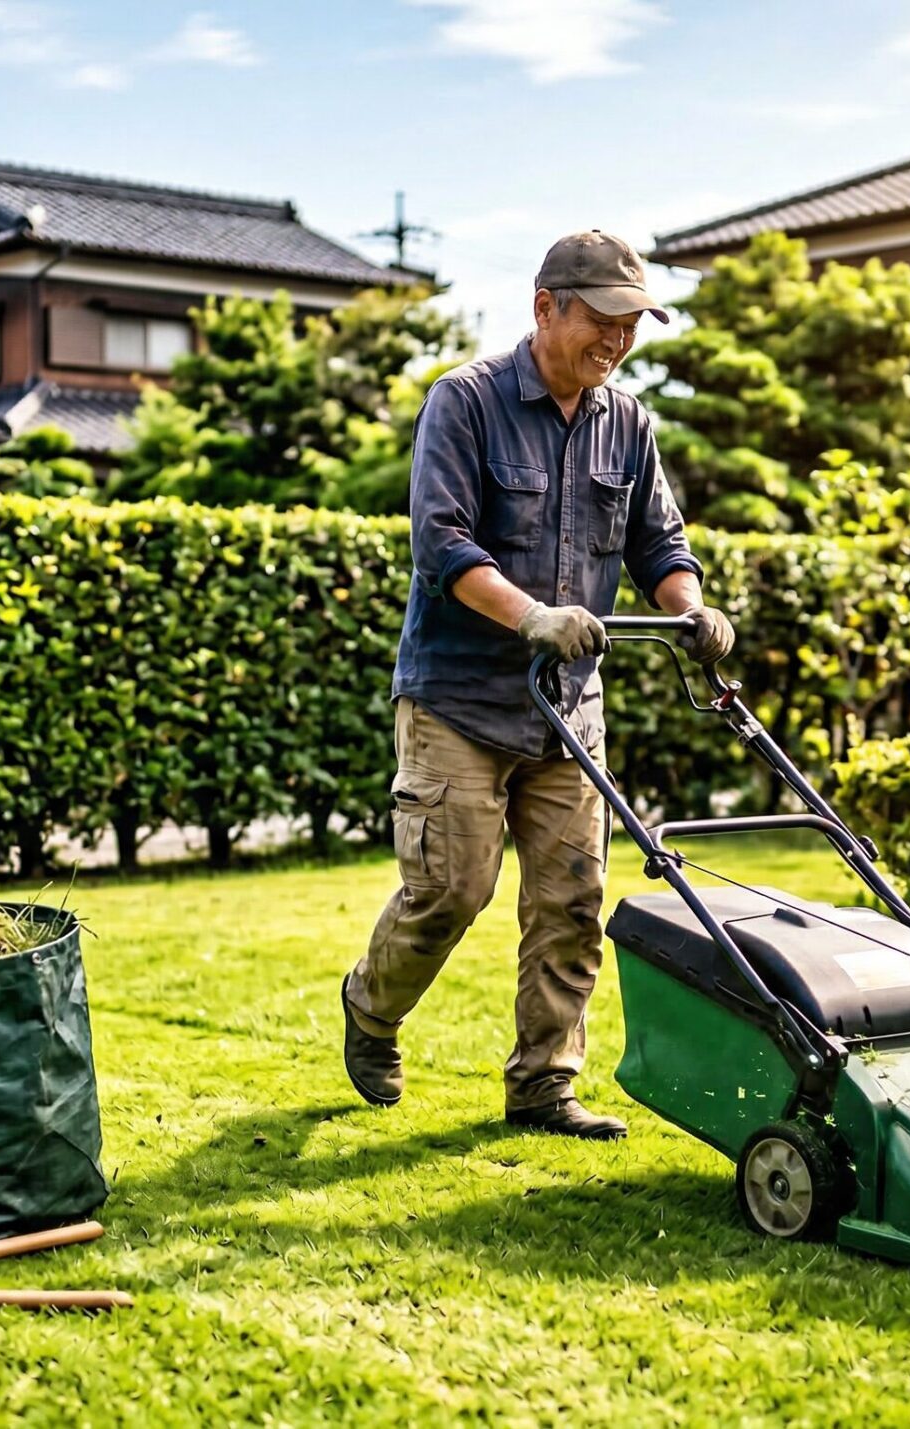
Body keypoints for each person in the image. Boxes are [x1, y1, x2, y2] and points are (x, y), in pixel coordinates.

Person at [340, 230, 733, 1140]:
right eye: (604, 318)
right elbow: (441, 546)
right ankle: (370, 1005)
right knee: (452, 889)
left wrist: (691, 609)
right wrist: (529, 616)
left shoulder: (628, 423)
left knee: (570, 903)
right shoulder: (466, 403)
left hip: (569, 708)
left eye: (633, 324)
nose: (618, 340)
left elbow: (660, 547)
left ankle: (545, 1084)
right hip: (459, 700)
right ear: (546, 306)